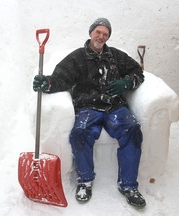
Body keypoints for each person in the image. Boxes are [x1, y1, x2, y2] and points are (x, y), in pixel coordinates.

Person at [33, 18, 146, 208]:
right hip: (87, 107)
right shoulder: (77, 57)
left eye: (105, 34)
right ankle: (85, 181)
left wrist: (125, 83)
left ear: (108, 37)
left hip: (114, 106)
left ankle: (128, 185)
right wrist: (47, 83)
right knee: (80, 133)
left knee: (132, 130)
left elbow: (138, 73)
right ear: (91, 33)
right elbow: (61, 79)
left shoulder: (117, 57)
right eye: (98, 32)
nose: (101, 36)